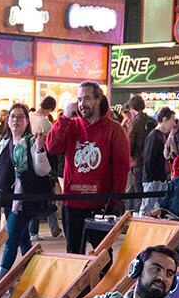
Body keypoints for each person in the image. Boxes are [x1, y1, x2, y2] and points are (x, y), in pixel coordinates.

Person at [44, 80, 130, 251]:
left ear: (98, 100)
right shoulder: (71, 125)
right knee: (74, 254)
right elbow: (52, 147)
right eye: (80, 99)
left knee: (103, 255)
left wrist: (115, 201)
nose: (83, 104)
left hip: (101, 205)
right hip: (72, 204)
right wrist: (64, 118)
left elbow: (121, 168)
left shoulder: (114, 129)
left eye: (88, 98)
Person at [0, 100, 53, 276]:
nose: (16, 120)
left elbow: (43, 170)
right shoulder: (3, 143)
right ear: (8, 120)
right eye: (13, 116)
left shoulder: (30, 142)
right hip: (7, 200)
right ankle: (35, 274)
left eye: (21, 117)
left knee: (11, 237)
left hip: (23, 201)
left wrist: (39, 149)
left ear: (26, 121)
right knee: (23, 240)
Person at [78, 243, 179, 298]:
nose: (162, 277)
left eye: (169, 274)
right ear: (137, 269)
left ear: (174, 282)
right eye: (156, 269)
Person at [140, 107, 175, 206]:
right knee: (148, 208)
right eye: (172, 120)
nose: (174, 124)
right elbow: (149, 159)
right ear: (164, 120)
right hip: (153, 180)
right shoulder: (154, 136)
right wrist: (156, 178)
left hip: (159, 179)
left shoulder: (161, 136)